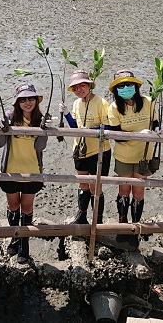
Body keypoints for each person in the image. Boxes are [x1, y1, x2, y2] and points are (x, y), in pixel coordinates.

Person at [0, 83, 50, 264]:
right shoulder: (10, 117)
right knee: (13, 206)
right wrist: (2, 127)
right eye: (23, 99)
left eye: (31, 98)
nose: (27, 102)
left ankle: (24, 243)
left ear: (36, 100)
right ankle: (15, 236)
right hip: (11, 170)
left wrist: (45, 131)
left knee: (26, 207)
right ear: (17, 102)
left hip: (32, 170)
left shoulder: (41, 118)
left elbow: (40, 147)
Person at [107, 69, 156, 247]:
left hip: (145, 156)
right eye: (121, 86)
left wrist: (160, 129)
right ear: (116, 90)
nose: (126, 88)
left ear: (136, 86)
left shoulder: (148, 102)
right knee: (124, 191)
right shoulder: (114, 108)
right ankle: (122, 224)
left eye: (129, 84)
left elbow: (155, 123)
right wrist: (138, 134)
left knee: (139, 192)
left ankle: (135, 227)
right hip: (124, 156)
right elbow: (116, 135)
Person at [59, 69, 112, 225]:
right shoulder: (76, 103)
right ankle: (81, 216)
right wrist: (67, 113)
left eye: (82, 86)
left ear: (90, 85)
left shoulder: (102, 103)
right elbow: (75, 126)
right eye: (75, 88)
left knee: (95, 186)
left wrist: (90, 131)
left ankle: (98, 219)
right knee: (82, 183)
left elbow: (108, 128)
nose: (79, 90)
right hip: (80, 149)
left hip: (99, 150)